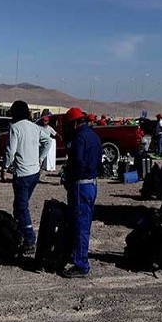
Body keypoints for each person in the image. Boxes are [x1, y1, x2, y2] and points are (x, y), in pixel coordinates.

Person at [1, 101, 51, 255]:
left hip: (22, 174)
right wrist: (40, 158)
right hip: (34, 173)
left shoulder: (15, 128)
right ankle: (19, 233)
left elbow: (11, 150)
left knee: (22, 207)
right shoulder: (35, 127)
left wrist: (4, 167)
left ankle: (29, 239)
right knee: (19, 206)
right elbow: (48, 141)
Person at [60, 107, 102, 278]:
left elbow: (78, 162)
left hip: (80, 185)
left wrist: (69, 179)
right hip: (92, 183)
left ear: (75, 123)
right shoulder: (93, 135)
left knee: (80, 224)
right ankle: (78, 254)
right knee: (84, 222)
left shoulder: (79, 138)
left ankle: (81, 264)